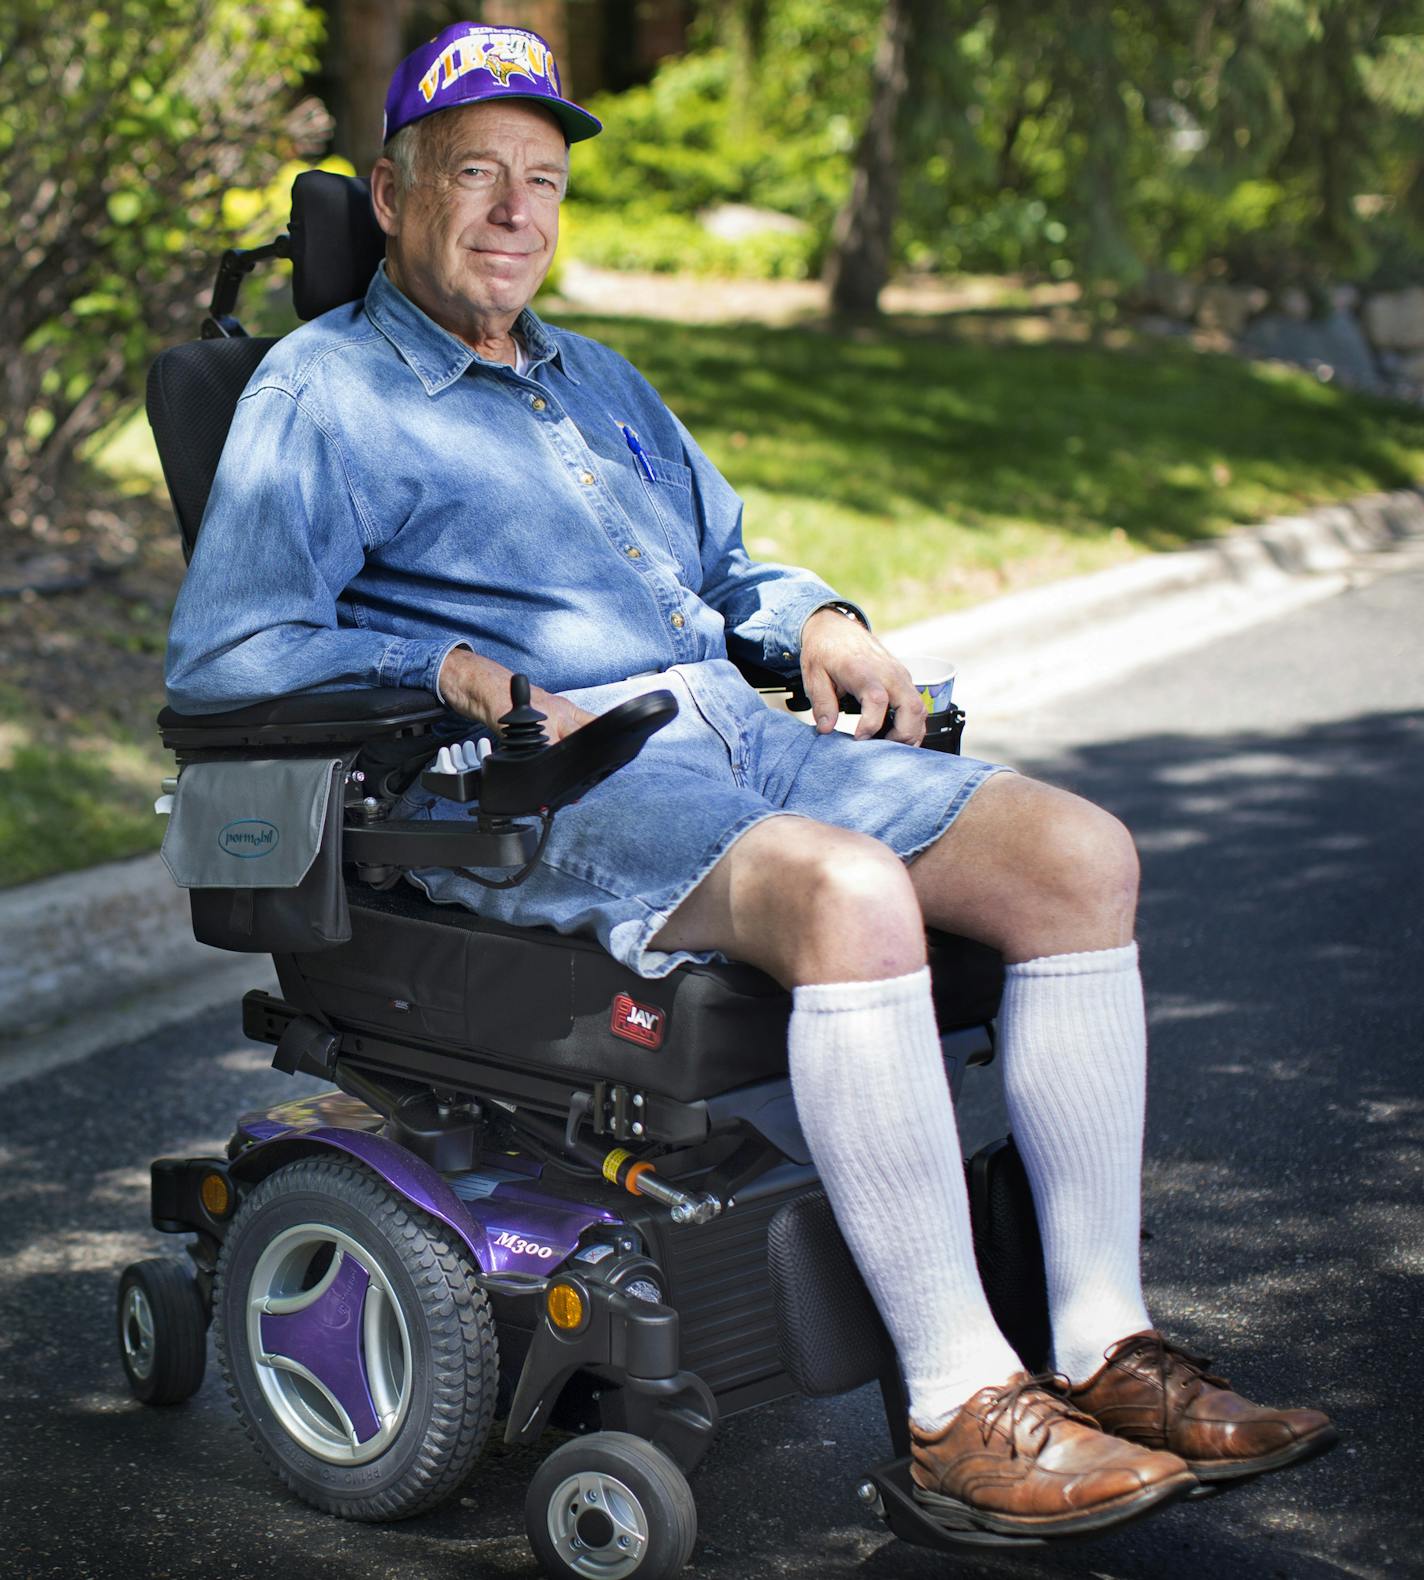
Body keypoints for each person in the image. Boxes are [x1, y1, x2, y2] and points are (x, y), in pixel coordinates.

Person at [165, 22, 1335, 1537]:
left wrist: (822, 619)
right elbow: (228, 654)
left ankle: (1102, 1343)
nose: (518, 211)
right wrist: (450, 674)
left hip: (739, 735)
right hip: (544, 788)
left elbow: (725, 567)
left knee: (1077, 857)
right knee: (846, 895)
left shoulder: (594, 380)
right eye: (477, 177)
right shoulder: (324, 395)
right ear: (392, 199)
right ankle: (954, 1412)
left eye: (542, 181)